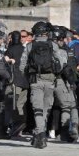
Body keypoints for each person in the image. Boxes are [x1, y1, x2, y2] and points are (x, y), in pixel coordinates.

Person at [19, 21, 64, 149]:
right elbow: (60, 63)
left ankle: (40, 134)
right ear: (45, 32)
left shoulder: (30, 46)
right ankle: (40, 133)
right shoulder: (53, 45)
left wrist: (28, 77)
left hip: (35, 80)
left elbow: (22, 66)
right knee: (45, 109)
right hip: (50, 80)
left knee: (37, 109)